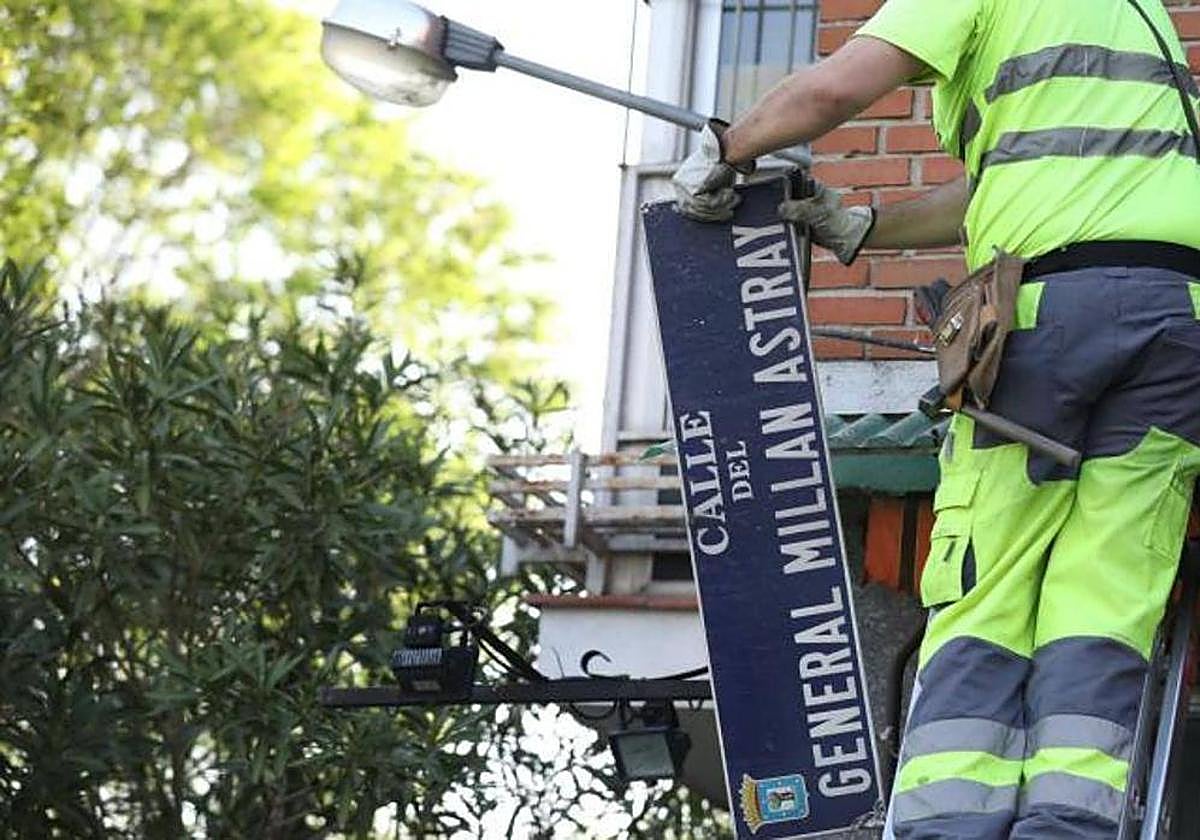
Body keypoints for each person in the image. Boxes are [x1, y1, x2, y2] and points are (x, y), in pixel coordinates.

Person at [673, 1, 1200, 838]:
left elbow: (835, 90)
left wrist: (726, 151)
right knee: (1104, 594)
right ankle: (1070, 826)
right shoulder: (1138, 20)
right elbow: (1008, 182)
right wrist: (864, 228)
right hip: (1179, 330)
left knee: (985, 581)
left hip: (1045, 324)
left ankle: (947, 824)